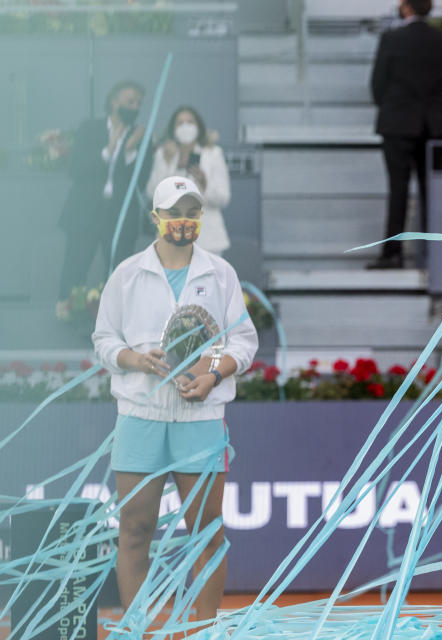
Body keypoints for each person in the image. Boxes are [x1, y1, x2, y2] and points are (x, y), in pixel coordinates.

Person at [92, 176, 258, 624]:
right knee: (134, 531)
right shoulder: (127, 274)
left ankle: (204, 631)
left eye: (190, 212)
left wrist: (212, 373)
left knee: (206, 535)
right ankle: (138, 630)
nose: (183, 221)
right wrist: (134, 359)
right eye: (173, 212)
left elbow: (241, 341)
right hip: (139, 417)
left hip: (201, 417)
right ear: (156, 217)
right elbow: (104, 339)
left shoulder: (220, 273)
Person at [367, 0, 442, 269]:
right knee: (432, 192)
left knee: (398, 190)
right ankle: (433, 257)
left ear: (406, 8)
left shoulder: (392, 39)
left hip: (398, 122)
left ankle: (393, 254)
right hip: (433, 123)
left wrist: (396, 107)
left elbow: (377, 85)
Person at [58, 79, 154, 301]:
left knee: (119, 275)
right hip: (85, 214)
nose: (135, 107)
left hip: (120, 215)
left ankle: (114, 324)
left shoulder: (141, 138)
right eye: (130, 101)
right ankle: (68, 314)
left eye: (139, 103)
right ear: (114, 101)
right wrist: (107, 151)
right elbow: (76, 169)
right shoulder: (89, 128)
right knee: (74, 269)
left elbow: (140, 181)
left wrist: (129, 149)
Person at [147, 106, 232, 255]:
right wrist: (167, 163)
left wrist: (205, 186)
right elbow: (151, 194)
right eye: (180, 123)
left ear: (198, 126)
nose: (185, 127)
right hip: (171, 238)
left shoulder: (212, 153)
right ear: (173, 129)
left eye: (190, 122)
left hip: (208, 240)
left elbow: (223, 198)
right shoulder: (164, 154)